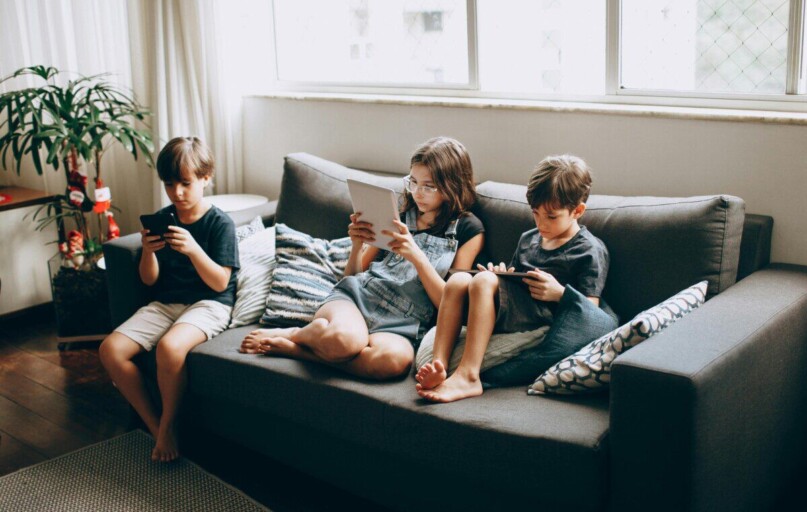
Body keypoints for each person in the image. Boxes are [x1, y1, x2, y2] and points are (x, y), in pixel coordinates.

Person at [240, 137, 485, 379]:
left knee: (394, 363)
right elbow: (352, 276)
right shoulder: (399, 214)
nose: (417, 193)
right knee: (343, 341)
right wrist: (357, 246)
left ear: (452, 185)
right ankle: (296, 333)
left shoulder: (468, 230)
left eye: (428, 186)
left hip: (404, 322)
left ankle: (299, 350)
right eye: (413, 182)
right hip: (358, 299)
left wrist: (418, 258)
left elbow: (449, 302)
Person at [416, 154, 609, 402]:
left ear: (578, 211)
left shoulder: (589, 250)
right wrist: (502, 275)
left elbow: (591, 311)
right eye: (535, 213)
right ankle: (439, 366)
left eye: (551, 216)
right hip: (509, 310)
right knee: (459, 280)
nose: (541, 223)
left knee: (483, 282)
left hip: (540, 317)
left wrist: (559, 293)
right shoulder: (529, 238)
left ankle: (469, 376)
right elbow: (513, 281)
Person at [99, 137, 238, 462]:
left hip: (210, 303)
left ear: (206, 178)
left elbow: (220, 281)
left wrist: (193, 249)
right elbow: (149, 280)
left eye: (186, 183)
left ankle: (168, 425)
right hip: (167, 303)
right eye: (169, 184)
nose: (177, 192)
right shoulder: (165, 218)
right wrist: (148, 252)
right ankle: (157, 426)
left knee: (170, 347)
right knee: (110, 350)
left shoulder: (220, 223)